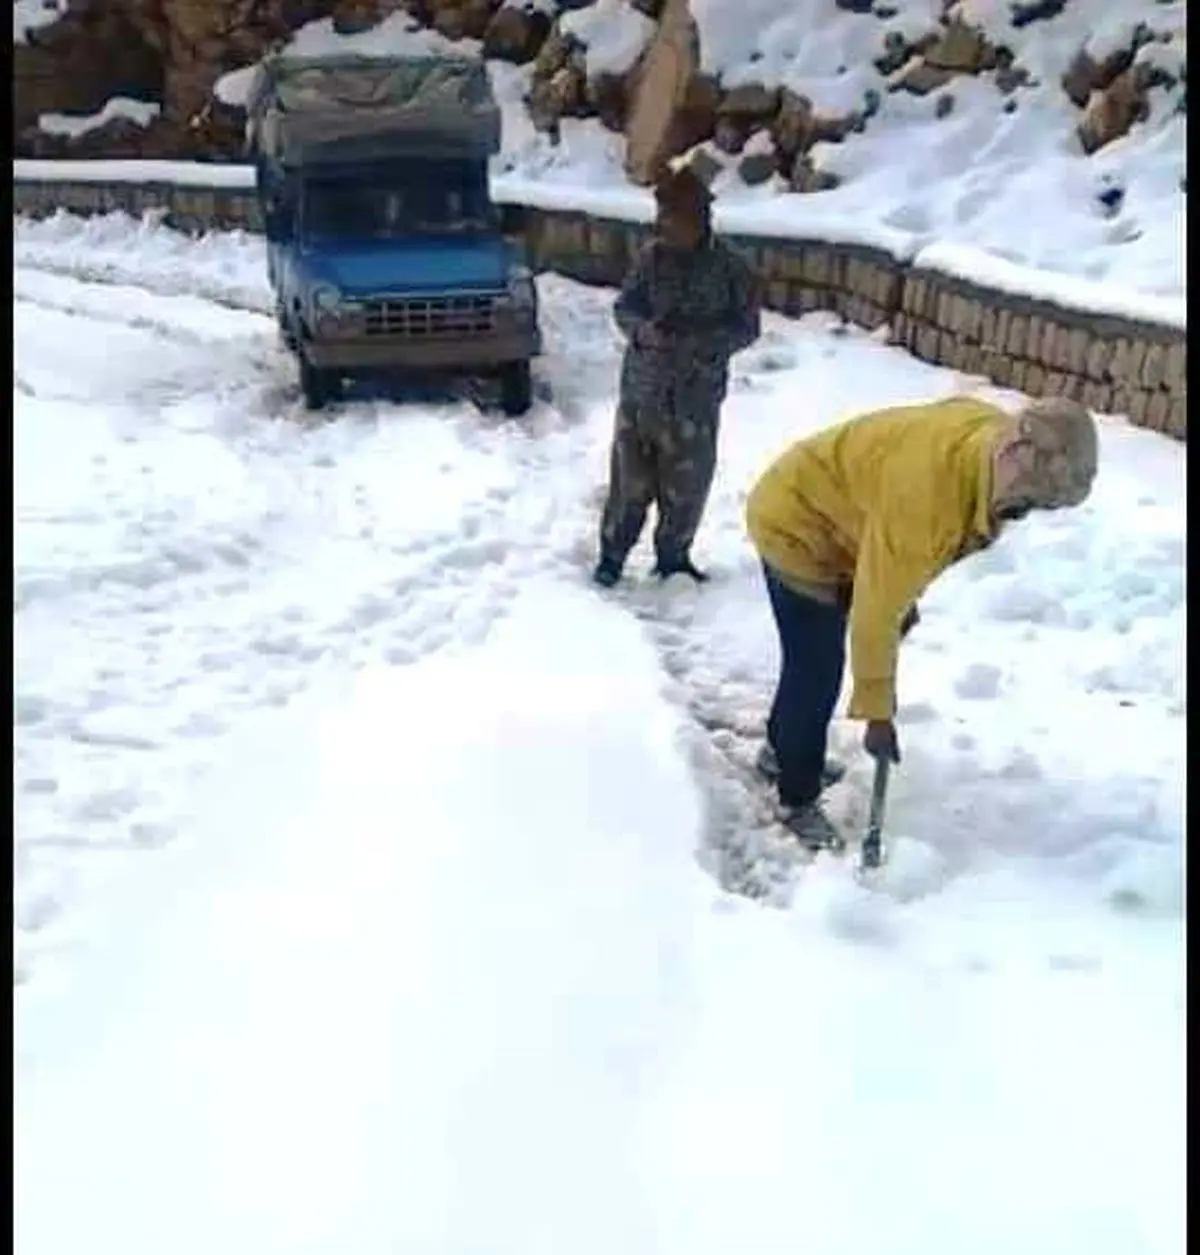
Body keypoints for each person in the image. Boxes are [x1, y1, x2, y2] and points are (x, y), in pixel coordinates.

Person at [744, 394, 1099, 847]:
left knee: (816, 661)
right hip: (796, 523)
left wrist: (901, 595)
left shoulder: (987, 438)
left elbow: (912, 554)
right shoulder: (926, 498)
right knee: (815, 669)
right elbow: (875, 612)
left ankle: (784, 750)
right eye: (1028, 502)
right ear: (1014, 458)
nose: (1024, 515)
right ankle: (795, 793)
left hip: (844, 520)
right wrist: (877, 714)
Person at [594, 165, 762, 588]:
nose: (665, 225)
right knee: (629, 483)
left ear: (699, 218)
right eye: (662, 216)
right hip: (643, 393)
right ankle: (612, 556)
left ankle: (674, 558)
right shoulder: (650, 259)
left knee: (686, 485)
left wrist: (704, 343)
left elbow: (747, 326)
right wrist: (643, 331)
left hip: (695, 397)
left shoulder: (731, 267)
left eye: (674, 217)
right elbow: (624, 308)